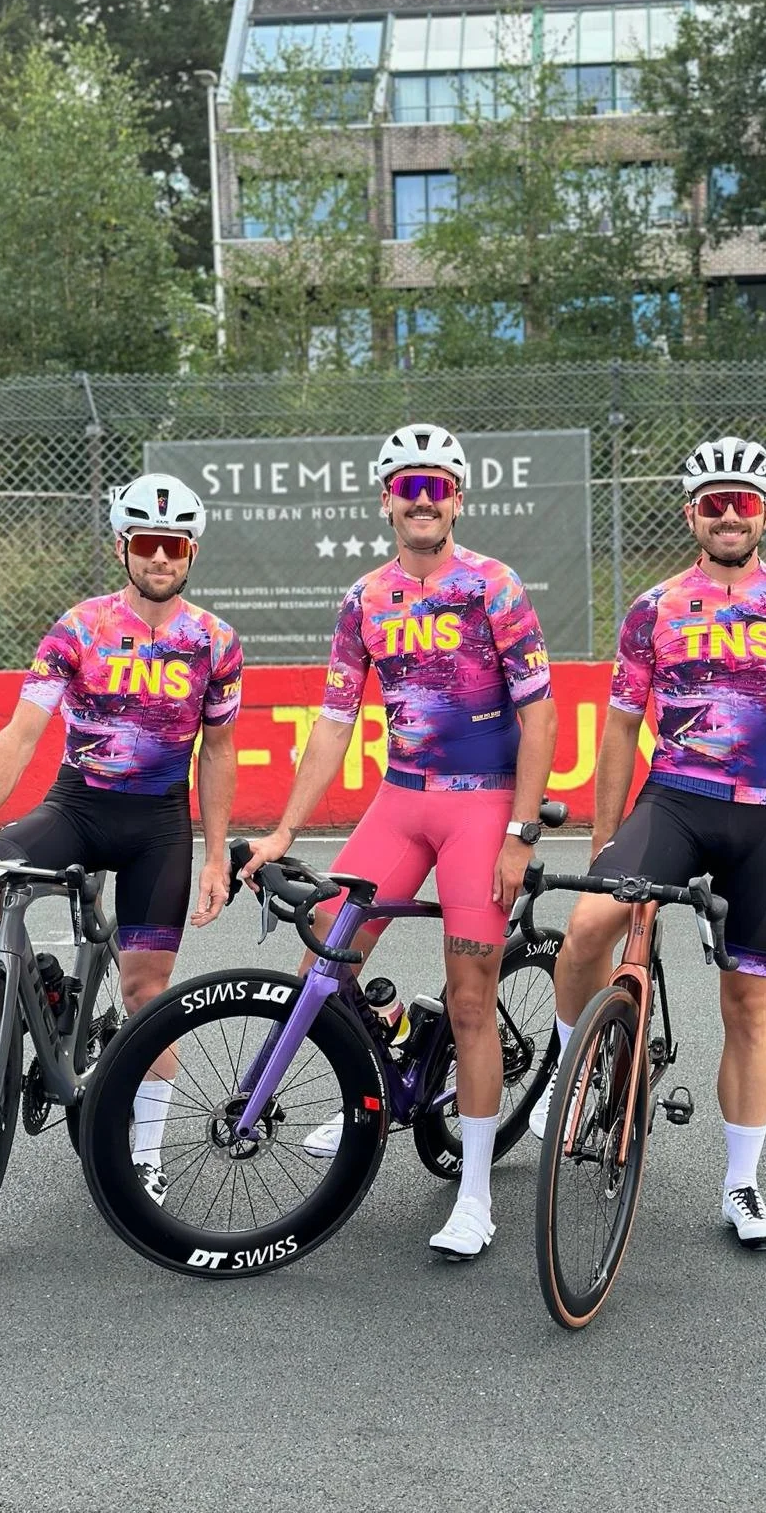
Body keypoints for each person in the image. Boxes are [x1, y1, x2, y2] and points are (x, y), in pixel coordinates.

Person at [533, 436, 766, 1246]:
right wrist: (604, 838)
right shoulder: (653, 607)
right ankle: (560, 1074)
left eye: (744, 502)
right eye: (714, 502)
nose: (729, 514)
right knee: (585, 932)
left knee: (748, 1005)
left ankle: (741, 1187)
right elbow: (621, 729)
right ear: (691, 512)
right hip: (676, 804)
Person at [242, 423, 557, 1260]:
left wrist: (521, 831)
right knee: (325, 957)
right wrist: (283, 832)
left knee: (469, 999)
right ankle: (372, 1087)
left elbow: (539, 715)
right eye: (409, 488)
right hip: (401, 801)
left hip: (482, 805)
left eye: (439, 487)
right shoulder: (364, 599)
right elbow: (335, 722)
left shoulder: (494, 585)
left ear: (459, 498)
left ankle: (477, 1193)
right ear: (386, 499)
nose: (425, 501)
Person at [0, 472, 243, 1206]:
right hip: (75, 807)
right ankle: (15, 996)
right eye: (147, 544)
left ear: (191, 552)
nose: (161, 558)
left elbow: (218, 752)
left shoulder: (216, 642)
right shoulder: (79, 627)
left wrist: (219, 853)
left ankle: (146, 1156)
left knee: (147, 994)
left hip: (157, 827)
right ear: (122, 547)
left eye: (175, 545)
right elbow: (21, 733)